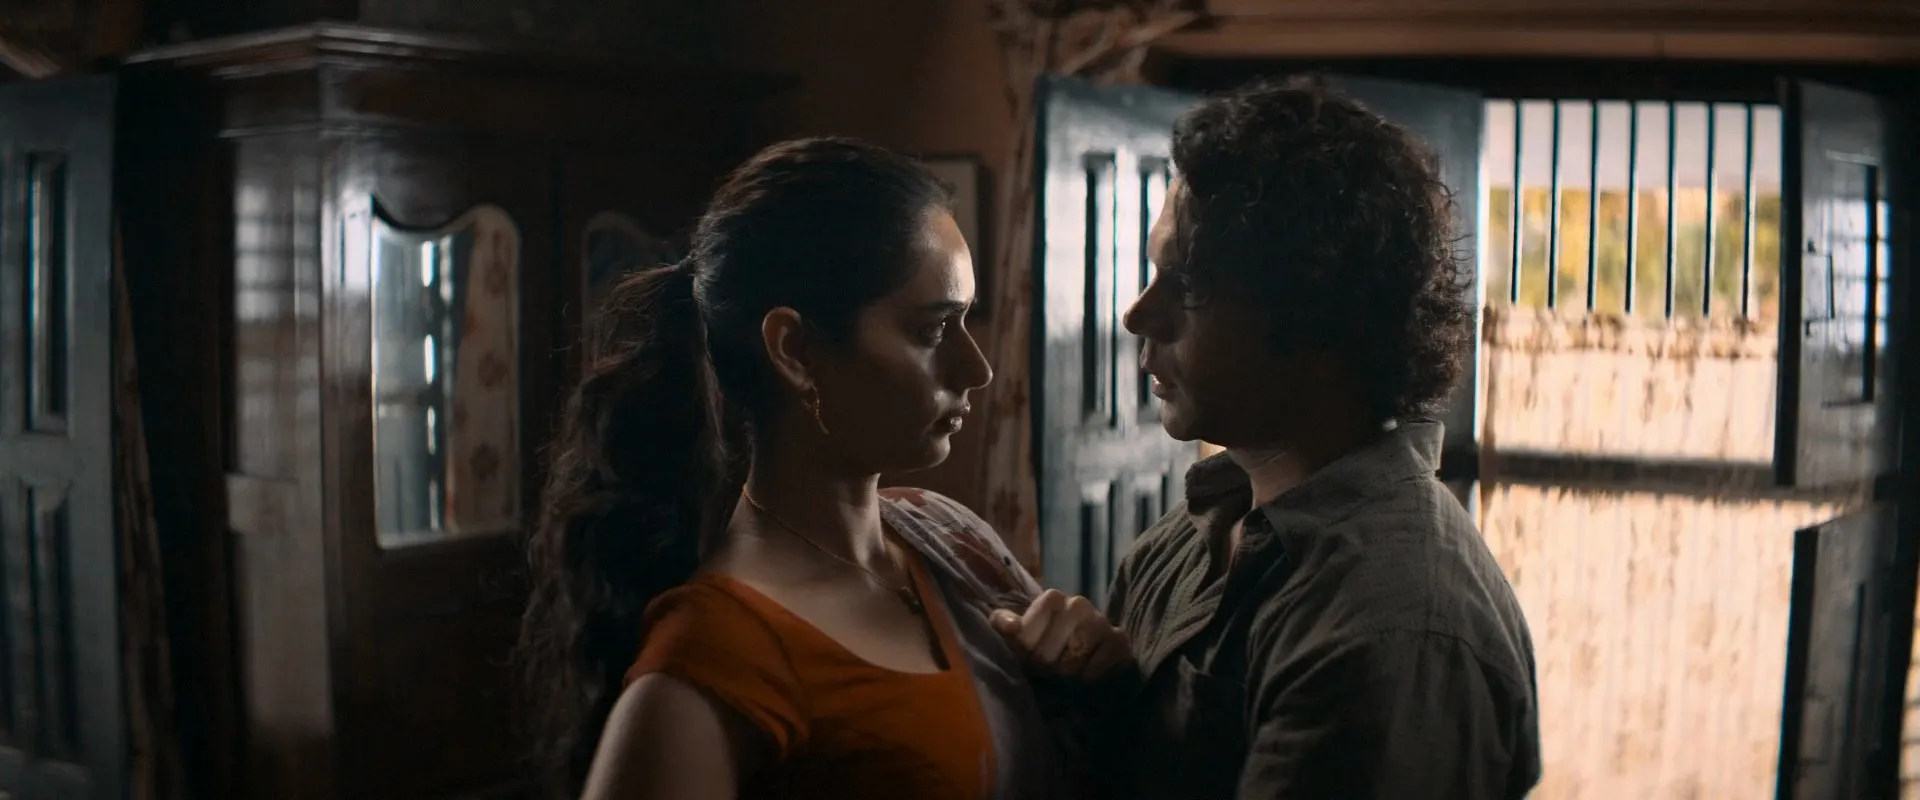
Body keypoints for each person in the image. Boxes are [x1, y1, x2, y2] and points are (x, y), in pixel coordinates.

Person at [514, 137, 1126, 800]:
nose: (975, 369)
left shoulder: (948, 537)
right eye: (932, 330)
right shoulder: (719, 653)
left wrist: (1097, 670)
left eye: (965, 322)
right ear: (797, 351)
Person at [1088, 77, 1540, 798]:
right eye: (1152, 274)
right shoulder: (1194, 534)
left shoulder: (1391, 630)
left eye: (1188, 284)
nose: (1138, 315)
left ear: (1318, 322)